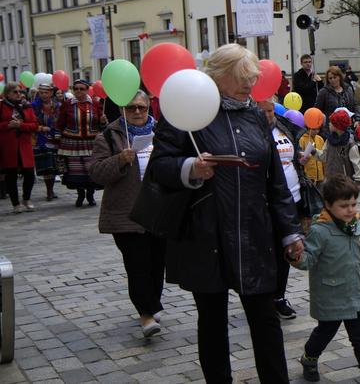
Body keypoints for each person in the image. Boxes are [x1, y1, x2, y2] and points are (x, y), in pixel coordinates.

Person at [149, 43, 304, 383]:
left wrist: (291, 232)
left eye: (252, 78)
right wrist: (191, 167)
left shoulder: (256, 116)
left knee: (265, 316)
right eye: (242, 78)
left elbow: (275, 181)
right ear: (218, 76)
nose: (250, 85)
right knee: (212, 318)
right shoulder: (188, 111)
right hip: (206, 233)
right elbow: (159, 167)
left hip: (254, 231)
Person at [88, 90, 165, 338]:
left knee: (157, 263)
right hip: (126, 213)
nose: (137, 112)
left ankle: (152, 302)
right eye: (131, 108)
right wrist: (120, 160)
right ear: (122, 110)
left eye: (142, 107)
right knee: (137, 264)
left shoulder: (162, 133)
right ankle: (146, 314)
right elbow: (97, 173)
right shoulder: (109, 136)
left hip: (158, 210)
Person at [291, 174, 360, 384]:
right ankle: (309, 357)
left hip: (356, 292)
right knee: (325, 333)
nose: (350, 210)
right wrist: (294, 255)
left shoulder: (357, 226)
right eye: (344, 206)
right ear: (328, 205)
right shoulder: (320, 231)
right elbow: (307, 261)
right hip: (330, 295)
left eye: (353, 204)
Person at [257, 96, 306, 320]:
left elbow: (293, 156)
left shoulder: (284, 128)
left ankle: (279, 296)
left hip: (292, 197)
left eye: (271, 111)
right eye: (263, 111)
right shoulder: (252, 133)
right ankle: (264, 297)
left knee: (287, 249)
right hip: (265, 202)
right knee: (267, 251)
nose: (268, 115)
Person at [56, 79, 107, 207]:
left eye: (81, 89)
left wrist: (102, 121)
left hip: (91, 142)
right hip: (73, 143)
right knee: (76, 170)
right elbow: (60, 122)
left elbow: (102, 125)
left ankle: (90, 194)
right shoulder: (67, 104)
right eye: (76, 88)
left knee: (91, 169)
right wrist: (59, 137)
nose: (78, 91)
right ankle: (80, 194)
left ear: (87, 90)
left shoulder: (95, 104)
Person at [0, 82, 39, 213]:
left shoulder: (27, 107)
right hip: (9, 145)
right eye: (15, 92)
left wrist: (21, 126)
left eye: (20, 91)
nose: (18, 94)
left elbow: (34, 125)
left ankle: (26, 198)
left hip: (24, 145)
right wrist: (8, 125)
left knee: (29, 174)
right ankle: (15, 203)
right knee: (11, 175)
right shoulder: (2, 106)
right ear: (7, 94)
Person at [315, 110, 360, 184]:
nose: (329, 123)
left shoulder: (350, 143)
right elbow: (324, 156)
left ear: (337, 126)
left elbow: (356, 163)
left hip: (344, 182)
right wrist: (314, 151)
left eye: (331, 122)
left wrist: (358, 180)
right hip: (330, 180)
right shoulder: (329, 140)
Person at [32, 84, 61, 201]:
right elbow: (31, 121)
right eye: (41, 92)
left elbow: (60, 120)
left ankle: (51, 189)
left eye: (46, 92)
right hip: (40, 138)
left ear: (51, 93)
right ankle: (49, 191)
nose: (44, 95)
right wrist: (40, 128)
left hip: (54, 137)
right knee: (46, 165)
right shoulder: (34, 106)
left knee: (53, 165)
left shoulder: (57, 106)